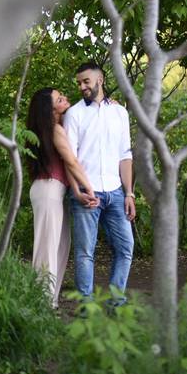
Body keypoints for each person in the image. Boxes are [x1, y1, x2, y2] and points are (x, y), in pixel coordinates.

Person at [63, 61, 136, 305]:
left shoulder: (119, 112)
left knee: (126, 248)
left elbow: (125, 155)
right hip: (86, 193)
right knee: (85, 253)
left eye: (86, 81)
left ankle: (116, 304)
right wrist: (76, 191)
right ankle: (86, 310)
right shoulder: (74, 114)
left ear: (100, 80)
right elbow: (69, 158)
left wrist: (129, 193)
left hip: (116, 192)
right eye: (79, 83)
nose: (82, 86)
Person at [26, 87, 98, 307]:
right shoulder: (54, 130)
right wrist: (90, 189)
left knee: (60, 247)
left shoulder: (55, 127)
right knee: (47, 250)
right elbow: (72, 162)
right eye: (59, 99)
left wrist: (77, 191)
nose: (65, 98)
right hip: (48, 191)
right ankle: (41, 305)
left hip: (55, 191)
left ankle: (51, 302)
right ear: (50, 108)